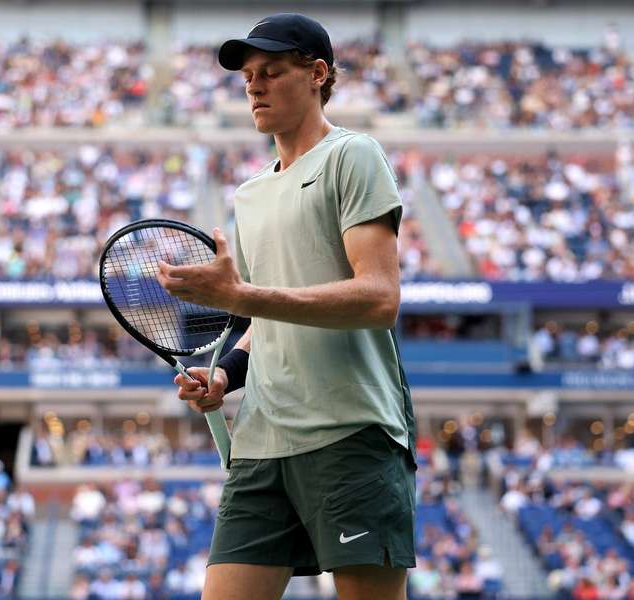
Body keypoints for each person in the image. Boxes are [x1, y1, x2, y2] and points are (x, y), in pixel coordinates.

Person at [157, 13, 415, 600]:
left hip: (351, 434)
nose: (254, 85)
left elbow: (379, 297)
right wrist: (226, 372)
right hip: (261, 443)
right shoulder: (248, 195)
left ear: (318, 74)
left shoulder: (354, 156)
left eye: (271, 71)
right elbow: (261, 322)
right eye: (248, 75)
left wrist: (240, 296)